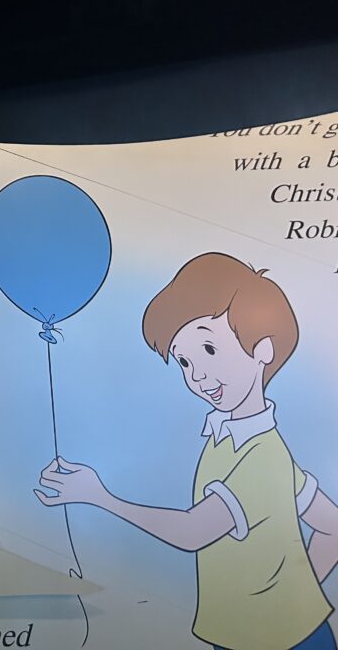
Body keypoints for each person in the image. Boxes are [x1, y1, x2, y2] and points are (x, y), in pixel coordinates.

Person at [35, 252, 338, 650]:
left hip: (286, 641)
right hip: (246, 635)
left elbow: (195, 532)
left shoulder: (262, 456)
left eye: (209, 350)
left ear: (264, 349)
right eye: (184, 361)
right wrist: (292, 597)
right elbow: (333, 526)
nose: (198, 376)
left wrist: (100, 497)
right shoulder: (226, 438)